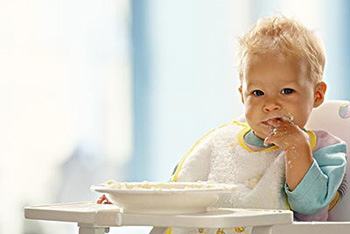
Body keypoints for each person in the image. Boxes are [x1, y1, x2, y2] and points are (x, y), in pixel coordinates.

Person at [167, 15, 347, 234]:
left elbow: (310, 206)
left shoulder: (324, 149)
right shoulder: (222, 143)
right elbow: (176, 190)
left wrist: (297, 149)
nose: (270, 104)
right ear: (243, 96)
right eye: (258, 93)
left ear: (317, 94)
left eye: (287, 91)